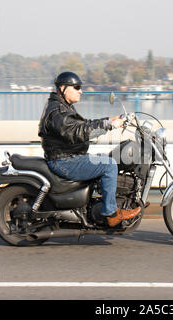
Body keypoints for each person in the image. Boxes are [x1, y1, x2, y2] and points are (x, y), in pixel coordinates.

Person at [38, 71, 141, 227]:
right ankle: (111, 213)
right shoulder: (58, 112)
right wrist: (110, 125)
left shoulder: (62, 106)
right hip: (64, 160)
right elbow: (79, 131)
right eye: (77, 87)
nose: (81, 91)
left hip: (68, 156)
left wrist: (111, 119)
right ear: (63, 88)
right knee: (109, 165)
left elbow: (83, 124)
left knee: (105, 158)